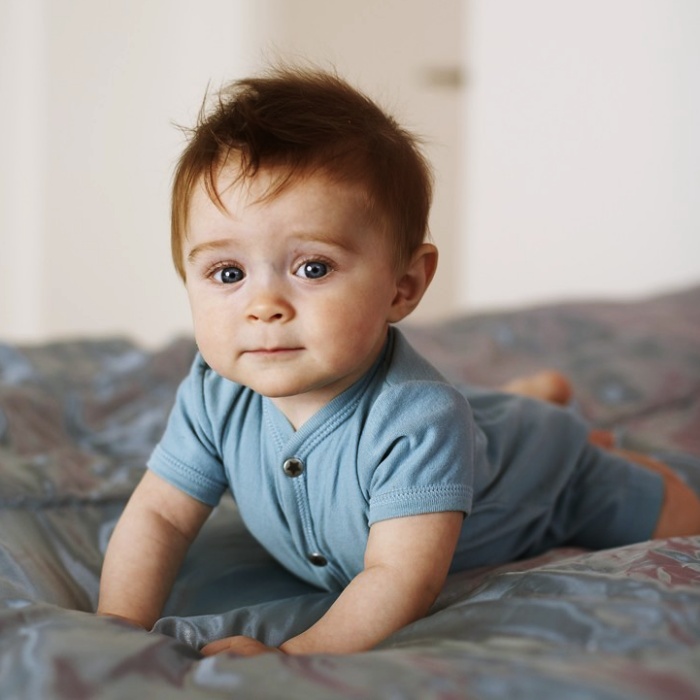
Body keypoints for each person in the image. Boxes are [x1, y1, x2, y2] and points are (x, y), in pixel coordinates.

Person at [97, 67, 700, 657]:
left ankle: (565, 430)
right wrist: (117, 626)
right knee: (480, 423)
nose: (264, 306)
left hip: (557, 479)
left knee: (681, 521)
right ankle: (528, 397)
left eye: (313, 268)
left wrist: (294, 656)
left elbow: (398, 577)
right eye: (227, 273)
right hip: (469, 430)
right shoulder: (212, 393)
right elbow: (160, 517)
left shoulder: (420, 419)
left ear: (403, 285)